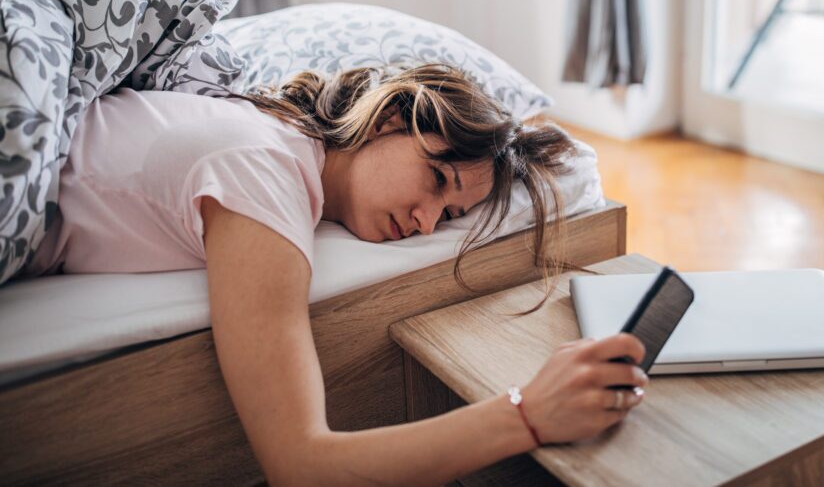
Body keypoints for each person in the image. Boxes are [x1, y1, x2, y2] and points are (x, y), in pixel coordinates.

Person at [32, 63, 648, 485]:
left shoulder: (273, 140)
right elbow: (302, 465)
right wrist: (528, 413)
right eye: (437, 180)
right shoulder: (261, 171)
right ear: (387, 121)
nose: (428, 222)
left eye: (452, 213)